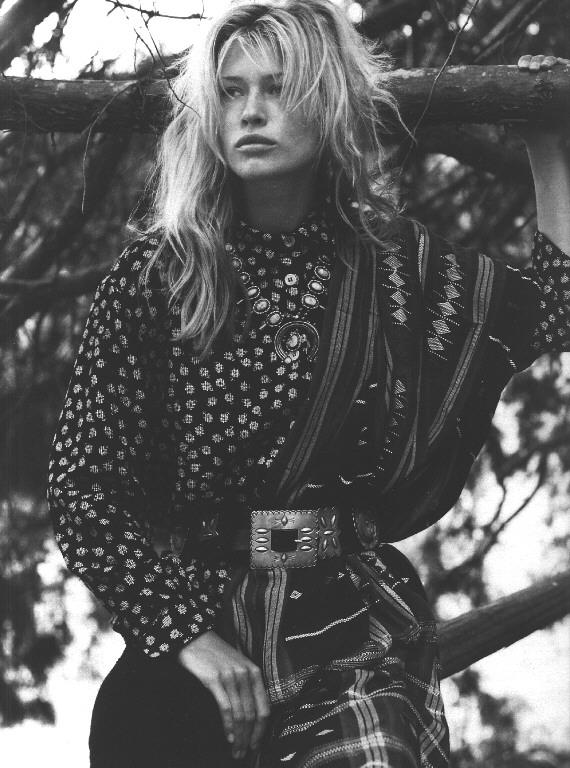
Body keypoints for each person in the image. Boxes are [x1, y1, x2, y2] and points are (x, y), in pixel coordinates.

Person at [46, 1, 570, 766]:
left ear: (327, 103)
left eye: (278, 88)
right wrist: (186, 637)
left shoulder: (393, 264)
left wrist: (545, 142)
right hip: (201, 635)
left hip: (349, 629)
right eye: (231, 91)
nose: (250, 112)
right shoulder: (159, 276)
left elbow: (551, 311)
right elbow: (82, 486)